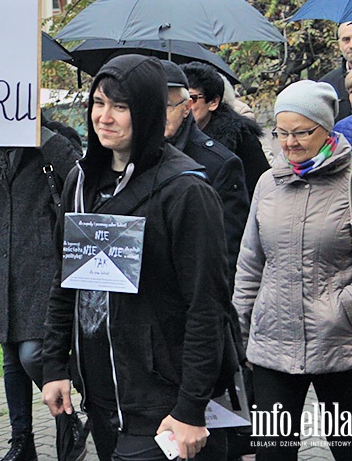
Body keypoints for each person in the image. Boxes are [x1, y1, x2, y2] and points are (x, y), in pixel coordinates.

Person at [41, 55, 231, 461]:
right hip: (99, 393)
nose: (104, 117)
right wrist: (55, 365)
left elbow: (208, 306)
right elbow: (65, 281)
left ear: (145, 111)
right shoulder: (81, 181)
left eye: (120, 107)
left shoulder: (185, 191)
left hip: (161, 401)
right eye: (98, 103)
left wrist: (190, 407)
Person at [233, 80, 352, 460]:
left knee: (350, 450)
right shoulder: (268, 184)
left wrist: (346, 305)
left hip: (342, 344)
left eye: (301, 132)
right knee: (273, 451)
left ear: (327, 129)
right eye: (281, 132)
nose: (290, 143)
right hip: (272, 347)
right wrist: (241, 325)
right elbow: (251, 261)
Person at [0, 121, 82, 461]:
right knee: (12, 357)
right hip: (4, 266)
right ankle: (21, 441)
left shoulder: (55, 136)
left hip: (43, 265)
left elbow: (78, 178)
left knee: (33, 353)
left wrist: (39, 133)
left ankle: (70, 418)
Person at [163, 60, 249, 283]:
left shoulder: (219, 163)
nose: (158, 114)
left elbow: (226, 252)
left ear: (186, 107)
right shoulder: (125, 159)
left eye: (168, 105)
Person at [182, 62, 269, 198]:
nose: (186, 106)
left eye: (193, 98)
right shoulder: (168, 135)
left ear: (214, 102)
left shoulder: (240, 138)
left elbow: (260, 188)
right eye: (181, 99)